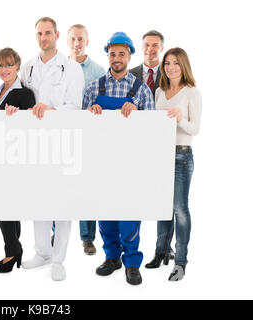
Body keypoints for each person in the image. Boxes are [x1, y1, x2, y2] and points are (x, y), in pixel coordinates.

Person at [83, 32, 155, 285]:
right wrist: (91, 113)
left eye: (121, 54)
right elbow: (80, 130)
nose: (116, 58)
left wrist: (138, 113)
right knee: (106, 213)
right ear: (108, 56)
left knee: (129, 214)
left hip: (130, 165)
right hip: (101, 163)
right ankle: (112, 257)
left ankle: (132, 263)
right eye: (112, 54)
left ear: (129, 56)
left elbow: (152, 132)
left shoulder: (142, 90)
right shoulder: (93, 88)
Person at [20, 17, 84, 281]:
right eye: (39, 34)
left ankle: (58, 259)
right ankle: (43, 252)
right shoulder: (27, 68)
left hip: (62, 142)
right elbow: (20, 98)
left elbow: (75, 107)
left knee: (62, 202)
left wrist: (51, 109)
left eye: (48, 33)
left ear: (57, 35)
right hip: (34, 144)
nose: (43, 37)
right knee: (38, 199)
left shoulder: (71, 68)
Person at [145, 47, 202, 281]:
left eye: (176, 63)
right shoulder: (159, 91)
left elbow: (195, 129)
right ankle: (161, 251)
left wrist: (180, 117)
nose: (170, 67)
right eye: (167, 63)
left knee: (179, 208)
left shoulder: (192, 92)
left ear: (183, 66)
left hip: (181, 155)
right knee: (162, 207)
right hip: (161, 155)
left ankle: (180, 261)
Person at [0, 48, 36, 273]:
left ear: (17, 66)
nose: (4, 70)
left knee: (5, 205)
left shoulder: (25, 93)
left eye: (8, 65)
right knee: (5, 205)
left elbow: (30, 128)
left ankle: (12, 250)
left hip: (15, 157)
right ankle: (14, 248)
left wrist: (15, 117)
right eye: (0, 65)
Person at [67, 23, 106, 256]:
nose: (76, 43)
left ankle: (87, 238)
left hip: (90, 136)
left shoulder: (98, 71)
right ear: (67, 41)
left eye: (80, 39)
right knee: (59, 185)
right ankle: (55, 232)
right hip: (64, 133)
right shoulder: (60, 67)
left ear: (87, 42)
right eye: (72, 39)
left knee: (88, 187)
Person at [129, 30, 164, 98]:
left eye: (155, 45)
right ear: (142, 47)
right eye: (147, 45)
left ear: (161, 49)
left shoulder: (169, 74)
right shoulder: (129, 74)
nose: (150, 48)